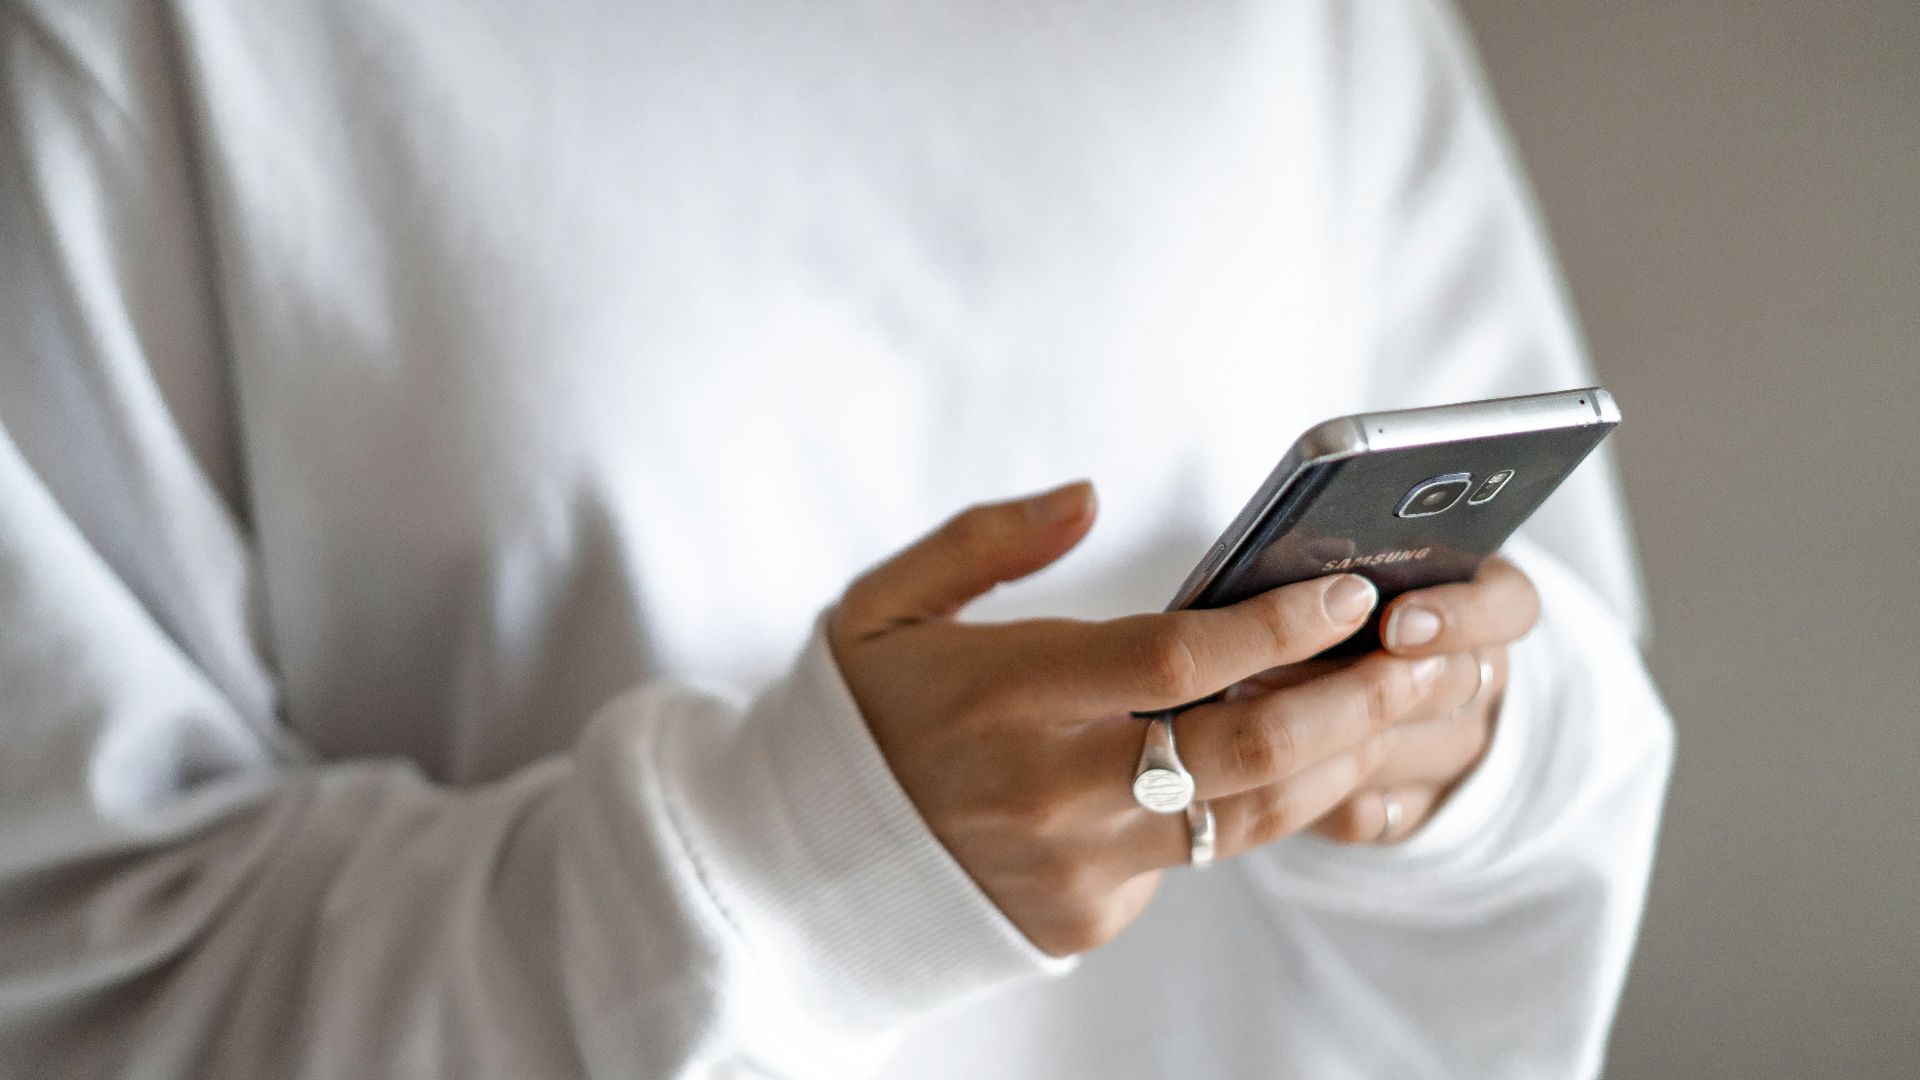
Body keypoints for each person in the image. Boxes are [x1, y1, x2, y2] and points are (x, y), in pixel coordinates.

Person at [0, 0, 1673, 1076]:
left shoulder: (1312, 30)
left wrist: (1448, 749)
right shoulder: (145, 42)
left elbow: (1574, 671)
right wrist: (794, 867)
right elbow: (66, 962)